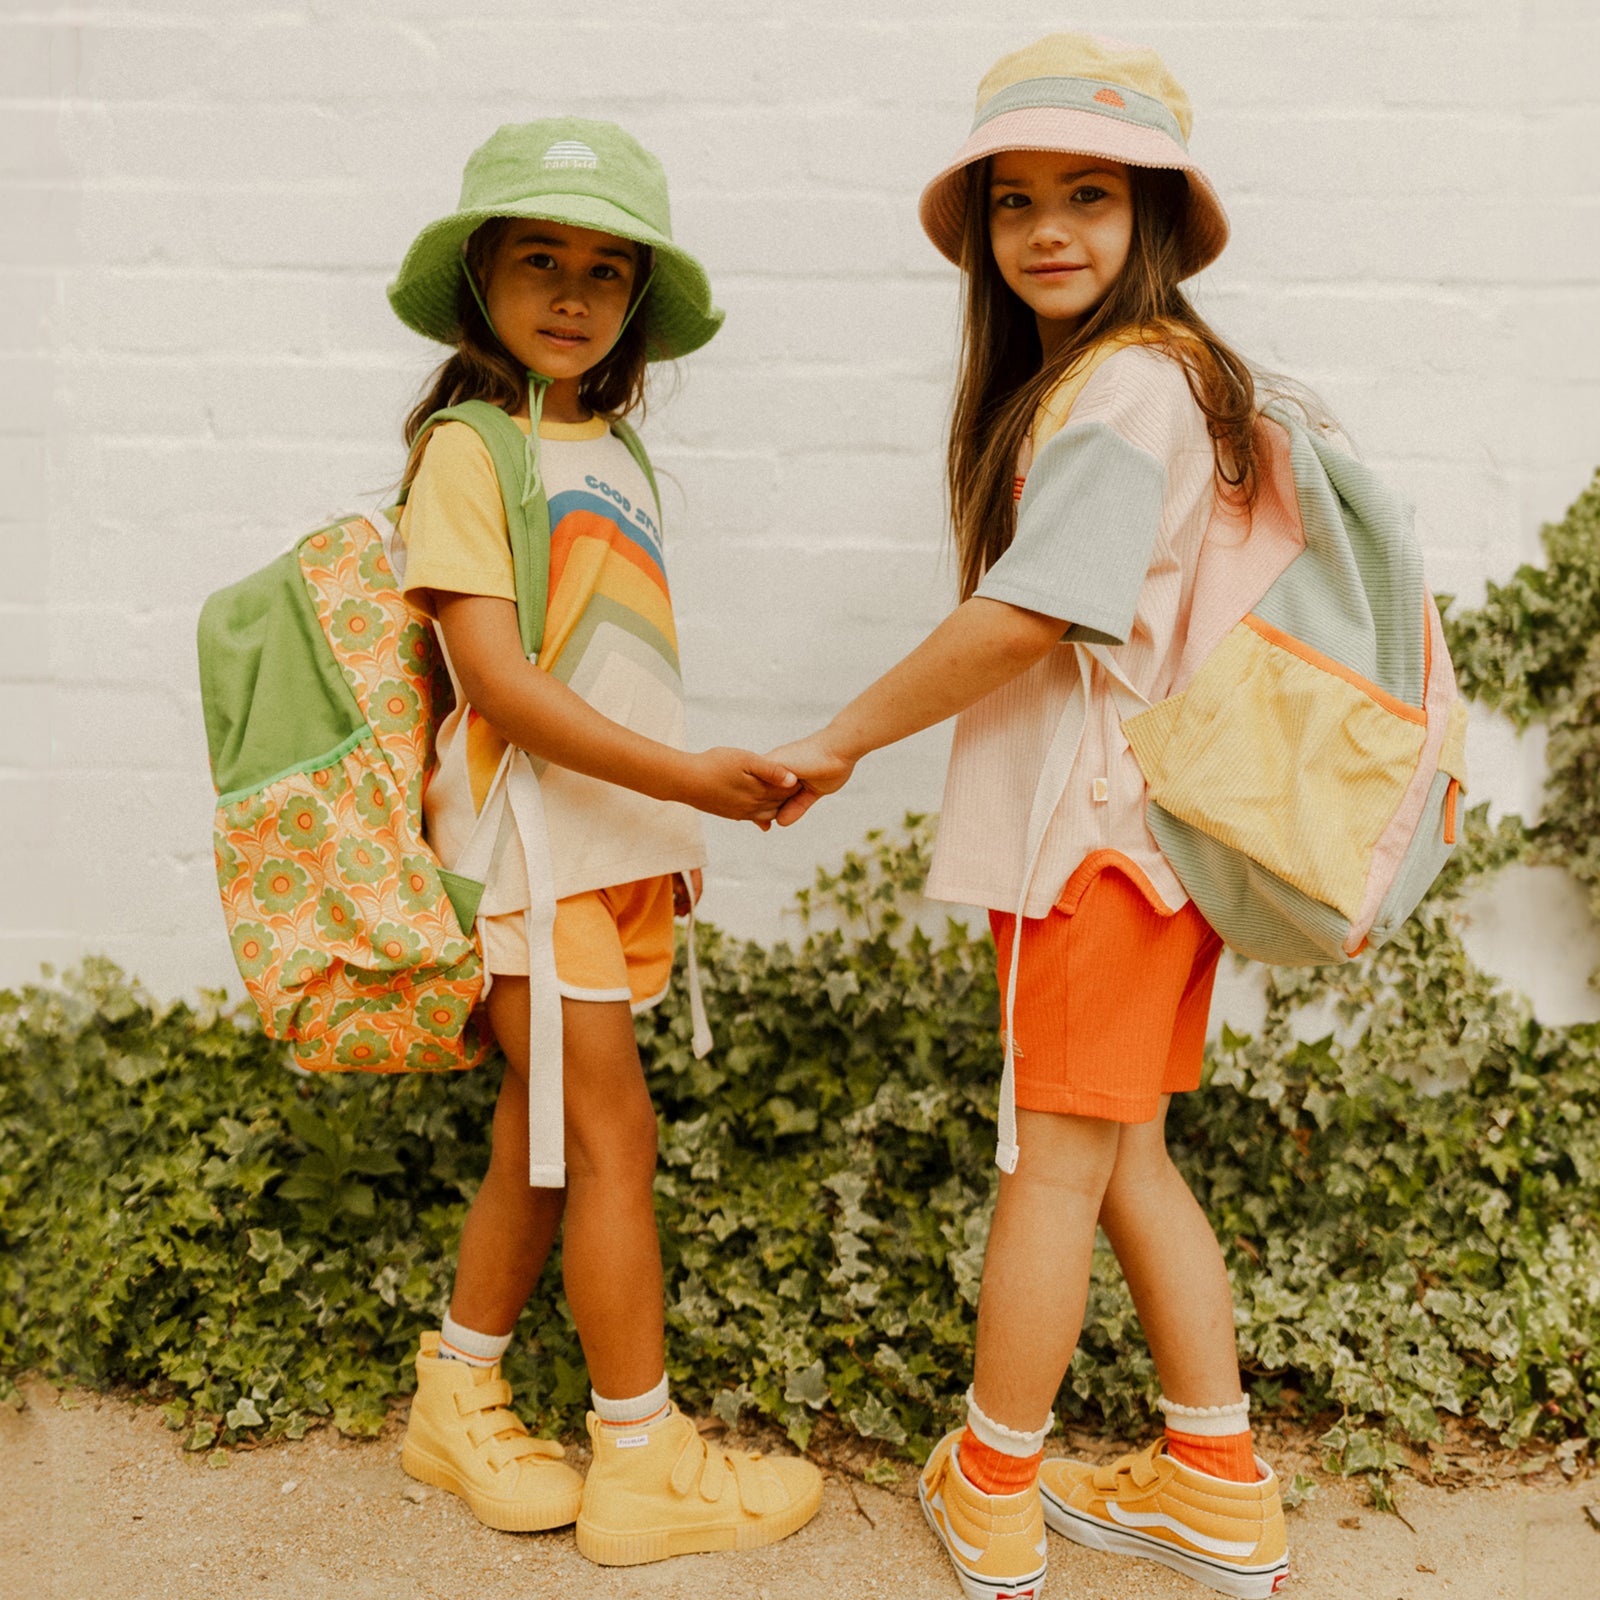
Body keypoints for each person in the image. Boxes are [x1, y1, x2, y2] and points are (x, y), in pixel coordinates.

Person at [770, 34, 1291, 1600]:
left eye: (1089, 196)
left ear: (1151, 222)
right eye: (1016, 202)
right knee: (1127, 1155)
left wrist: (839, 738)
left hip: (1094, 847)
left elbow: (1030, 615)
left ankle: (994, 1481)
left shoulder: (1129, 390)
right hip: (1152, 850)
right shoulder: (1148, 384)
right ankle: (1218, 1483)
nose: (1048, 229)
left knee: (1053, 1170)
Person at [383, 117, 821, 1567]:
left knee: (549, 1136)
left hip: (612, 857)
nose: (573, 294)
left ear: (635, 303)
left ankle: (457, 1391)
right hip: (531, 858)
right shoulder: (471, 448)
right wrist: (692, 781)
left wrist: (669, 815)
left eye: (606, 271)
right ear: (479, 281)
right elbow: (503, 688)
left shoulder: (609, 445)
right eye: (539, 261)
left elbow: (615, 666)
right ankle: (643, 1459)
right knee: (610, 1139)